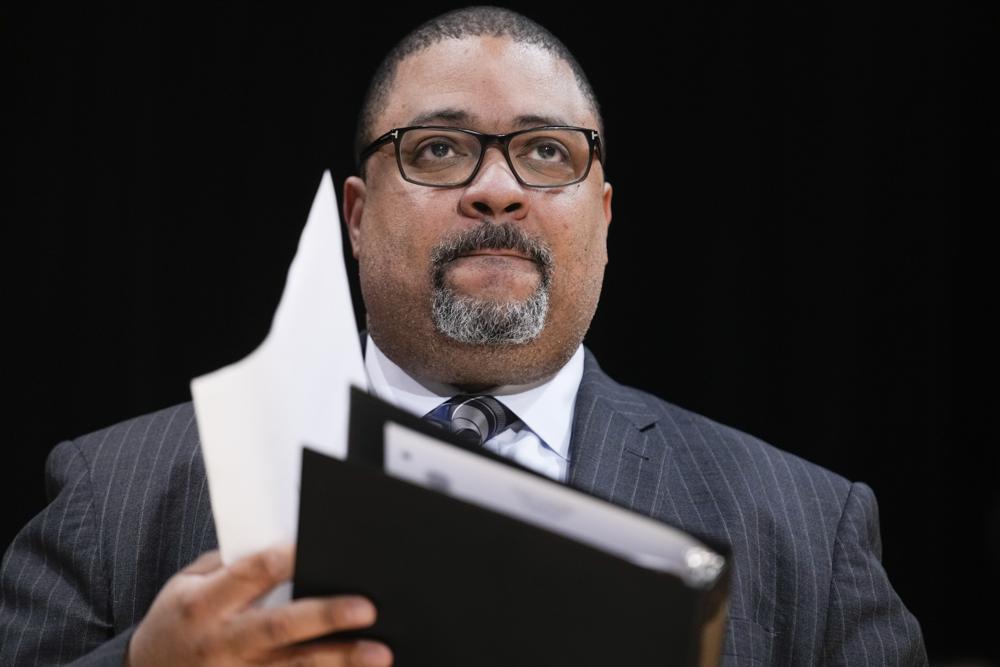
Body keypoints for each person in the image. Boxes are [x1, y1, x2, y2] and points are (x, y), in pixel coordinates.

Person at [0, 5, 927, 666]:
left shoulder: (809, 527)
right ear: (357, 217)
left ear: (603, 217)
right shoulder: (110, 497)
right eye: (438, 148)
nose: (497, 187)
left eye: (547, 152)